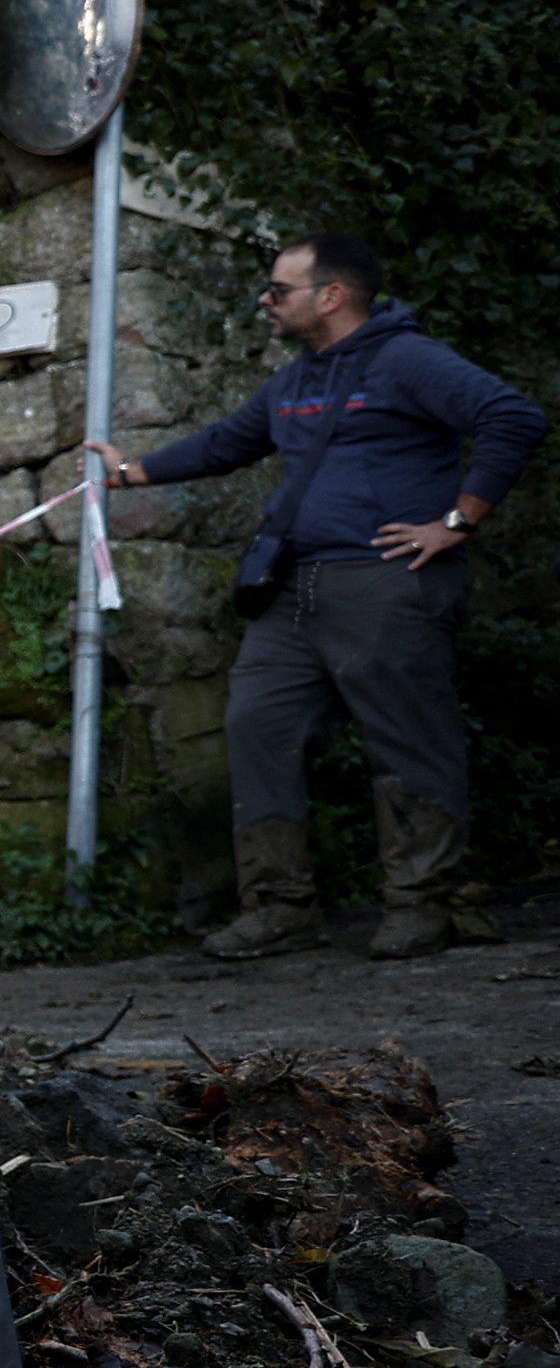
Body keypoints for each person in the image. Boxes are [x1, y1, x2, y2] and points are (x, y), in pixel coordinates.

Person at [95, 230, 541, 960]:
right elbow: (226, 443)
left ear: (331, 296)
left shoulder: (407, 360)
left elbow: (513, 418)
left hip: (385, 583)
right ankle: (279, 907)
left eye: (279, 290)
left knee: (406, 737)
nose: (265, 301)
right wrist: (130, 473)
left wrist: (458, 521)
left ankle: (421, 905)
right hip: (292, 589)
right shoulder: (296, 380)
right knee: (257, 726)